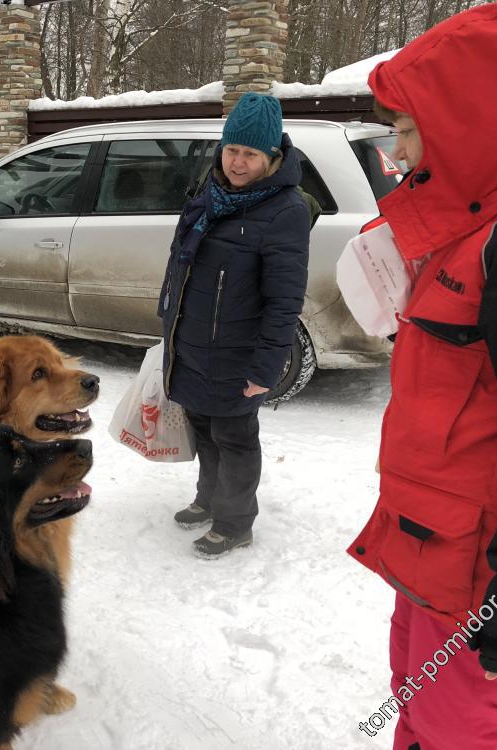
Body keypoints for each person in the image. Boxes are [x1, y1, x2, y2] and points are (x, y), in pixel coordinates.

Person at [347, 2, 497, 747]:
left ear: (473, 117)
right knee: (417, 703)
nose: (396, 153)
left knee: (461, 729)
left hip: (483, 564)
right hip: (429, 539)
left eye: (404, 129)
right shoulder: (469, 222)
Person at [159, 92, 311, 559]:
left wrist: (265, 368)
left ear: (273, 157)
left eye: (250, 154)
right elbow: (178, 264)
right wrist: (168, 325)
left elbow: (284, 301)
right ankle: (209, 498)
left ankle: (235, 522)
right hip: (194, 343)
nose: (238, 162)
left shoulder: (286, 211)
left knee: (236, 439)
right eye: (232, 150)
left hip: (238, 352)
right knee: (203, 429)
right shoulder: (210, 193)